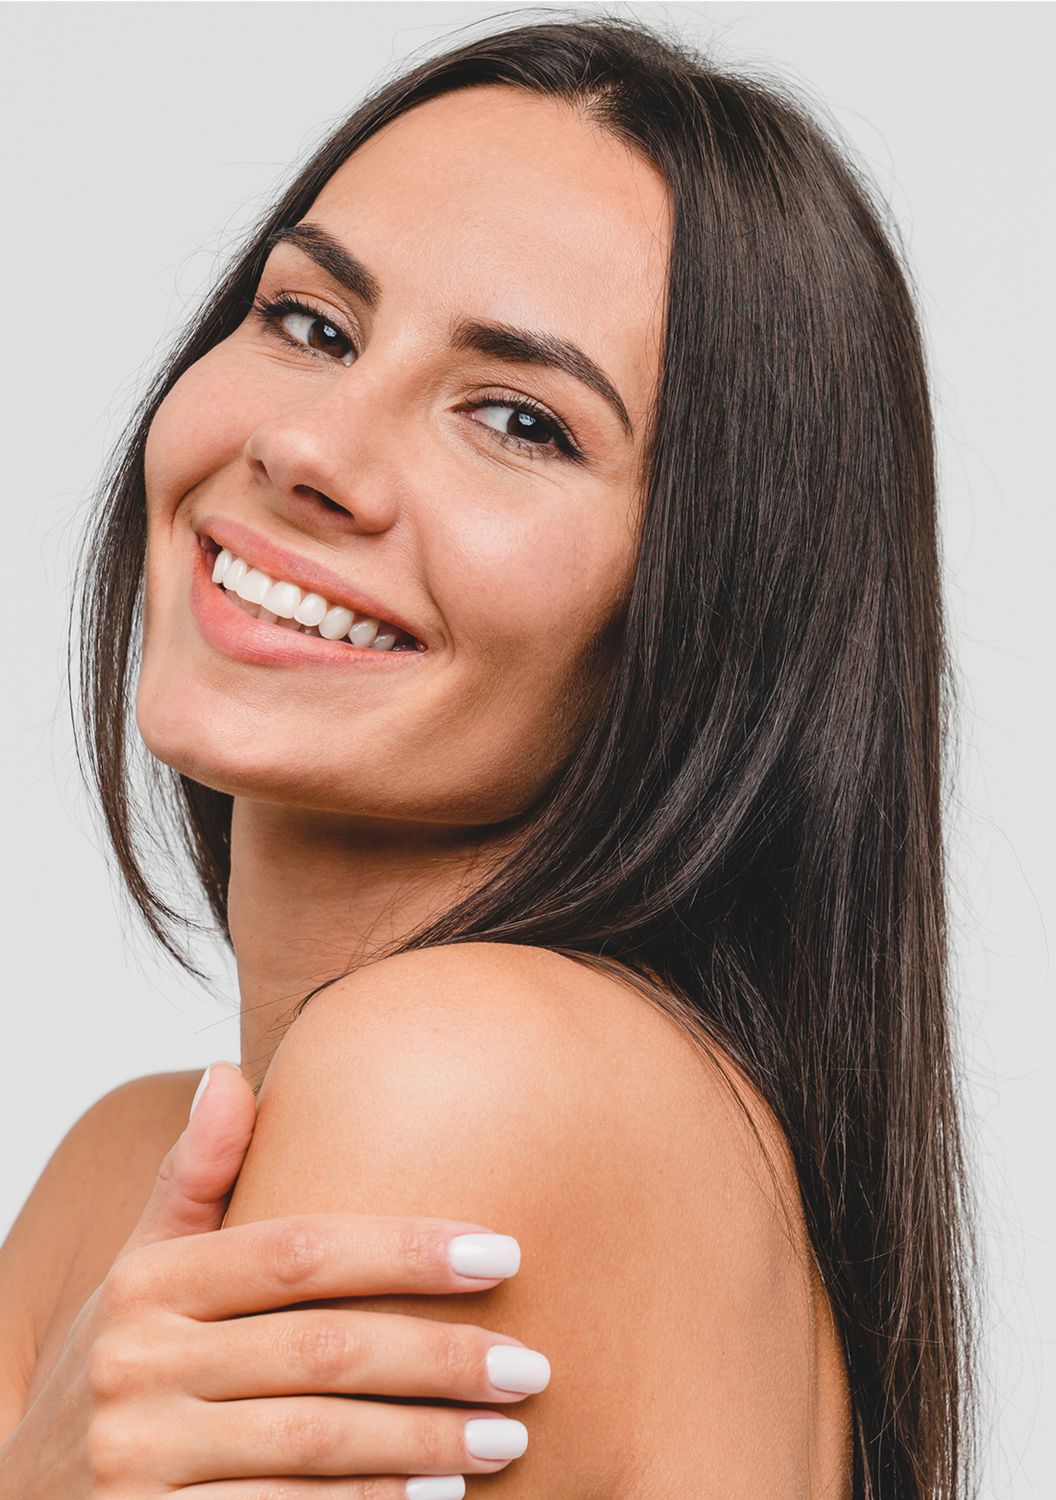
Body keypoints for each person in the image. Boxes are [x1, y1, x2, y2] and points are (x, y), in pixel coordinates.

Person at [0, 12, 981, 1498]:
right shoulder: (126, 1170)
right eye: (312, 323)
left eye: (519, 420)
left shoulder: (459, 1073)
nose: (312, 449)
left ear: (710, 614)